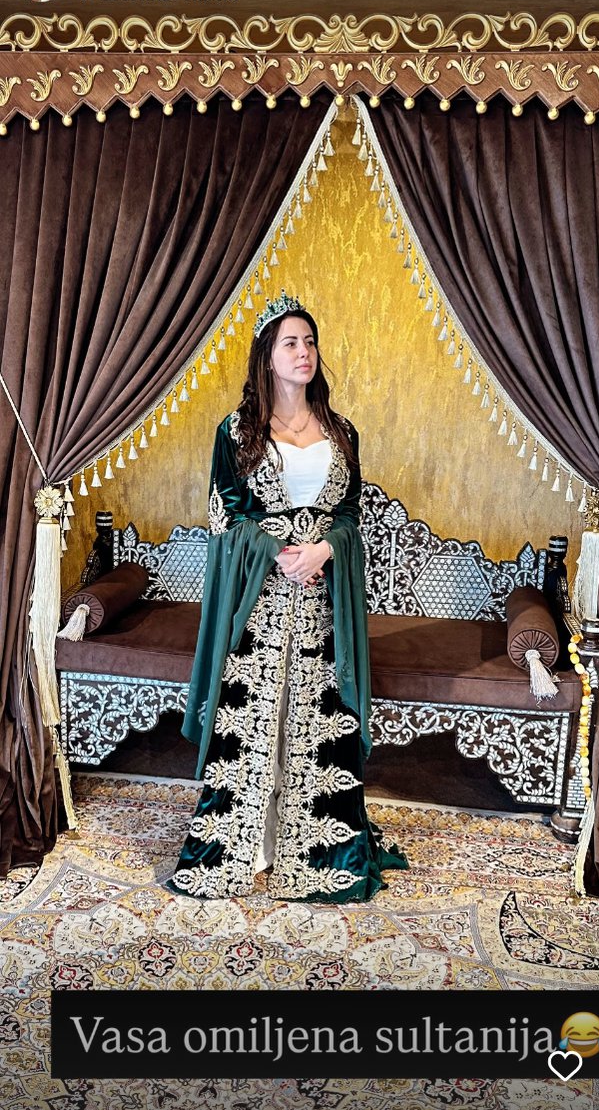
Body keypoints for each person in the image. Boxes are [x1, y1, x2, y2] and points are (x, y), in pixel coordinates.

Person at [169, 290, 407, 902]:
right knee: (251, 716)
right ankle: (244, 847)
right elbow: (226, 513)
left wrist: (324, 550)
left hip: (323, 600)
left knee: (319, 717)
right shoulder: (237, 432)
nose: (304, 352)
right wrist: (278, 553)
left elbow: (350, 514)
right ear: (267, 357)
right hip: (260, 599)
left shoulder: (342, 432)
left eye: (310, 342)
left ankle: (318, 849)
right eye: (290, 343)